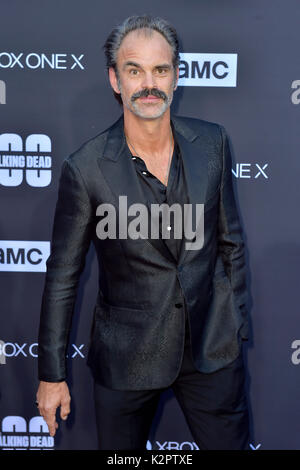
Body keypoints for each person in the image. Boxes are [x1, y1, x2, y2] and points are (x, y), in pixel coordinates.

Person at [36, 15, 251, 450]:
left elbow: (232, 243)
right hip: (126, 358)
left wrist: (233, 322)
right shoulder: (86, 168)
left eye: (160, 70)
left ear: (176, 76)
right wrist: (51, 375)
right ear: (115, 80)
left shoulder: (213, 144)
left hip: (210, 350)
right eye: (134, 70)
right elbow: (63, 277)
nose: (148, 84)